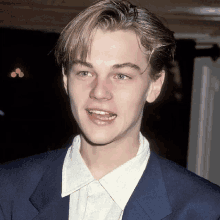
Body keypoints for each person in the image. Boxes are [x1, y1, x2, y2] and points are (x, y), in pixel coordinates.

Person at [0, 0, 220, 219]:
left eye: (121, 75)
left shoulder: (205, 209)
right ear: (66, 80)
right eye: (85, 72)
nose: (99, 92)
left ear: (155, 85)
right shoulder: (6, 190)